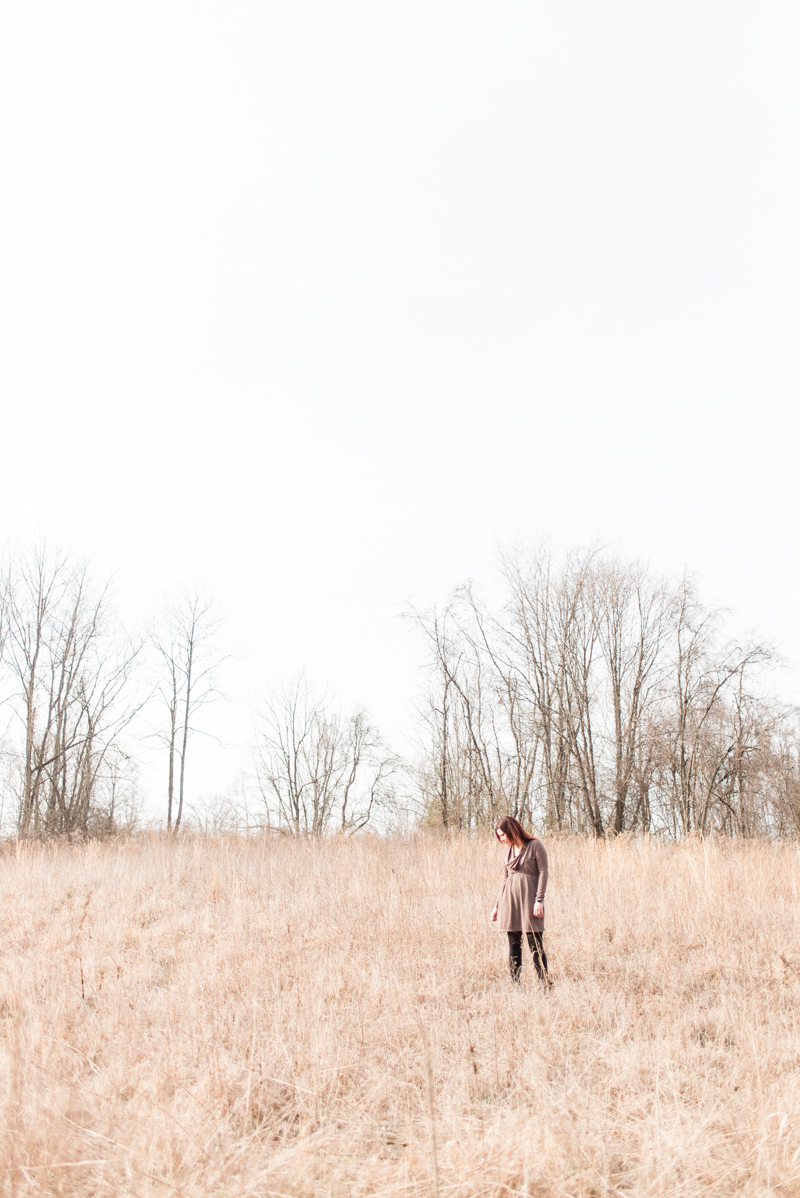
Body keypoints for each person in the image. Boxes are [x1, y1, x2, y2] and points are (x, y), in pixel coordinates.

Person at [490, 815, 550, 984]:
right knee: (514, 944)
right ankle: (515, 984)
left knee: (535, 943)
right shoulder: (506, 853)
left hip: (529, 899)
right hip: (510, 900)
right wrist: (497, 906)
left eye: (503, 835)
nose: (502, 839)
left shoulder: (535, 845)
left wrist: (540, 900)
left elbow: (544, 872)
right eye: (499, 836)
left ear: (512, 830)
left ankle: (544, 982)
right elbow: (504, 880)